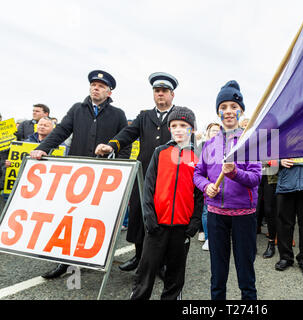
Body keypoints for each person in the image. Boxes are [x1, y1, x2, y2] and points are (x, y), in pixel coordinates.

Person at [30, 69, 131, 279]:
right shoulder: (77, 109)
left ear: (109, 92)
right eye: (94, 84)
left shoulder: (118, 114)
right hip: (77, 176)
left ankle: (91, 257)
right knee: (69, 217)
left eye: (102, 86)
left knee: (95, 218)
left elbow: (125, 144)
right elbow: (61, 132)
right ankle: (63, 262)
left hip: (105, 177)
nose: (96, 87)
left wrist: (121, 170)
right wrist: (44, 148)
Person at [95, 72, 180, 272]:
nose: (160, 94)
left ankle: (161, 263)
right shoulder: (144, 116)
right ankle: (139, 256)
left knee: (163, 220)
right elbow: (127, 134)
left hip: (169, 177)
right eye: (157, 91)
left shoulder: (180, 116)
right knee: (138, 217)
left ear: (172, 94)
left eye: (164, 91)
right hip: (144, 176)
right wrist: (111, 146)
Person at [193, 80, 262, 300]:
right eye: (223, 107)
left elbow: (256, 178)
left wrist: (234, 174)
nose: (228, 111)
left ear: (241, 110)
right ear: (218, 112)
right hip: (215, 215)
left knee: (246, 274)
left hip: (244, 215)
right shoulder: (210, 144)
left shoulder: (250, 142)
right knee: (218, 274)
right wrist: (206, 187)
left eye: (233, 106)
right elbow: (197, 174)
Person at [130, 107, 202, 300]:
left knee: (175, 275)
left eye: (183, 126)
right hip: (157, 226)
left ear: (192, 130)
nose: (178, 129)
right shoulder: (160, 152)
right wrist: (149, 218)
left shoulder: (197, 157)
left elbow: (199, 193)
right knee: (146, 272)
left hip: (181, 228)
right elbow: (148, 187)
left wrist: (194, 222)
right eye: (174, 125)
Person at [197, 122, 221, 251]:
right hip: (205, 184)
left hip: (219, 187)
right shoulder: (203, 146)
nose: (216, 133)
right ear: (208, 133)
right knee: (206, 211)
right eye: (213, 131)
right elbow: (199, 168)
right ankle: (207, 237)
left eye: (218, 131)